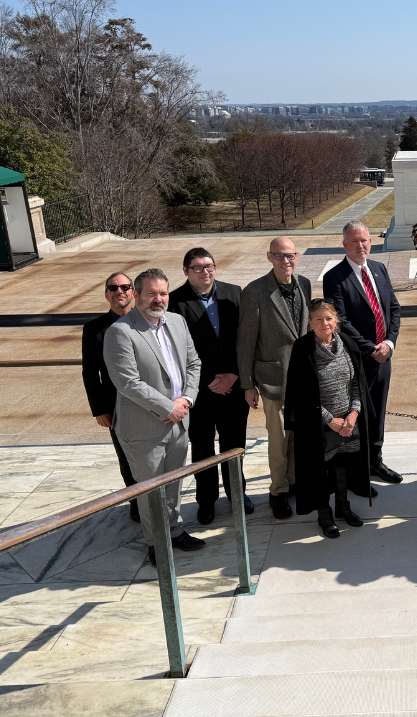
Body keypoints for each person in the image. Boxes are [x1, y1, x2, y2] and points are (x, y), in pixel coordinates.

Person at [103, 268, 204, 566]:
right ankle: (155, 543)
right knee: (151, 490)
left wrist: (186, 400)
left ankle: (174, 530)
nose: (158, 299)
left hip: (179, 420)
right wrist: (167, 407)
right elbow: (128, 382)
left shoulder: (177, 321)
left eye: (163, 293)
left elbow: (194, 363)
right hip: (144, 428)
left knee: (173, 483)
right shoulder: (121, 332)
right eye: (151, 294)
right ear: (136, 295)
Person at [168, 248, 253, 525]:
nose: (205, 272)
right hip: (199, 394)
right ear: (185, 271)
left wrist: (235, 376)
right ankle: (206, 501)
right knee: (202, 448)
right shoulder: (175, 302)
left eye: (209, 266)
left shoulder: (235, 293)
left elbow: (246, 340)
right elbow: (175, 352)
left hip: (233, 388)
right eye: (197, 268)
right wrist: (207, 382)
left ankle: (237, 494)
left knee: (234, 446)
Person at [322, 221, 404, 485]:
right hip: (358, 359)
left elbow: (393, 309)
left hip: (384, 356)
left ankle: (375, 462)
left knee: (379, 411)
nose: (361, 245)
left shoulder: (379, 269)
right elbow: (341, 321)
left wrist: (389, 343)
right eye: (355, 241)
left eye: (365, 240)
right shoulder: (335, 277)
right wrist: (371, 349)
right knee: (357, 414)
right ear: (345, 244)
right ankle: (356, 470)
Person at [284, 300, 373, 539]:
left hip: (347, 424)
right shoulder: (303, 349)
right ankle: (324, 514)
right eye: (319, 319)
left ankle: (343, 507)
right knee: (320, 470)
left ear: (336, 321)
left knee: (343, 465)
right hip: (317, 425)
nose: (325, 323)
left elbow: (357, 385)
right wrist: (329, 420)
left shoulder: (348, 345)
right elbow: (301, 394)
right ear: (310, 323)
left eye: (329, 319)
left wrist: (353, 414)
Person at [238, 236, 312, 520]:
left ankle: (292, 482)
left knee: (296, 437)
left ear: (297, 257)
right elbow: (246, 342)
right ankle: (277, 491)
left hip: (302, 379)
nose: (286, 261)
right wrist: (247, 384)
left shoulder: (304, 284)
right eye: (279, 256)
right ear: (269, 257)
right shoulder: (255, 291)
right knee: (279, 442)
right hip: (272, 379)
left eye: (290, 255)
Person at [81, 272, 141, 522]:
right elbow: (90, 372)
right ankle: (138, 502)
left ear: (133, 293)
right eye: (114, 288)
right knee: (126, 457)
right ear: (107, 294)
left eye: (125, 287)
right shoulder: (94, 329)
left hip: (154, 403)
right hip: (116, 405)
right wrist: (99, 409)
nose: (120, 291)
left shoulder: (148, 321)